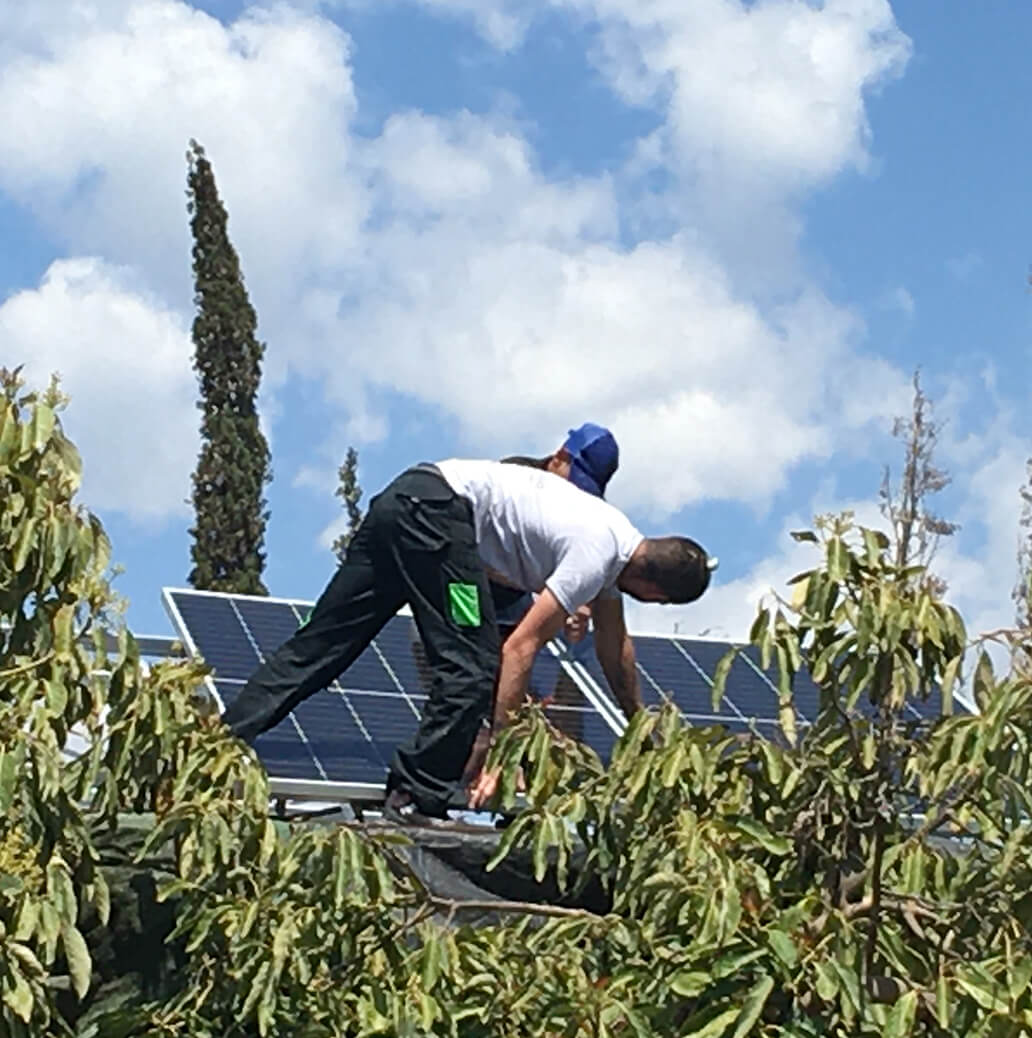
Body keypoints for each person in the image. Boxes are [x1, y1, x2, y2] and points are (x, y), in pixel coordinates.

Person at [221, 457, 716, 822]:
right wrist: (501, 757)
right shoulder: (597, 554)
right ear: (656, 592)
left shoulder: (615, 541)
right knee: (473, 667)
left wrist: (642, 730)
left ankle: (219, 741)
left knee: (324, 642)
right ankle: (415, 794)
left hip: (404, 499)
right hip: (437, 518)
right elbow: (519, 648)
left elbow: (615, 648)